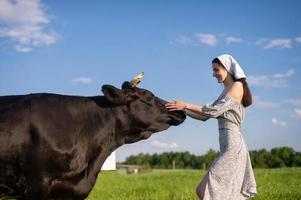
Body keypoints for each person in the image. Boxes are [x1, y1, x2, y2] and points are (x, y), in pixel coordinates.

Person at [165, 54, 257, 200]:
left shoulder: (237, 86)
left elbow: (213, 111)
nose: (213, 74)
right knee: (221, 193)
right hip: (227, 147)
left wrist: (186, 104)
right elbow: (204, 116)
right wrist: (181, 109)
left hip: (233, 148)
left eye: (216, 70)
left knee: (203, 190)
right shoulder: (225, 92)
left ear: (227, 69)